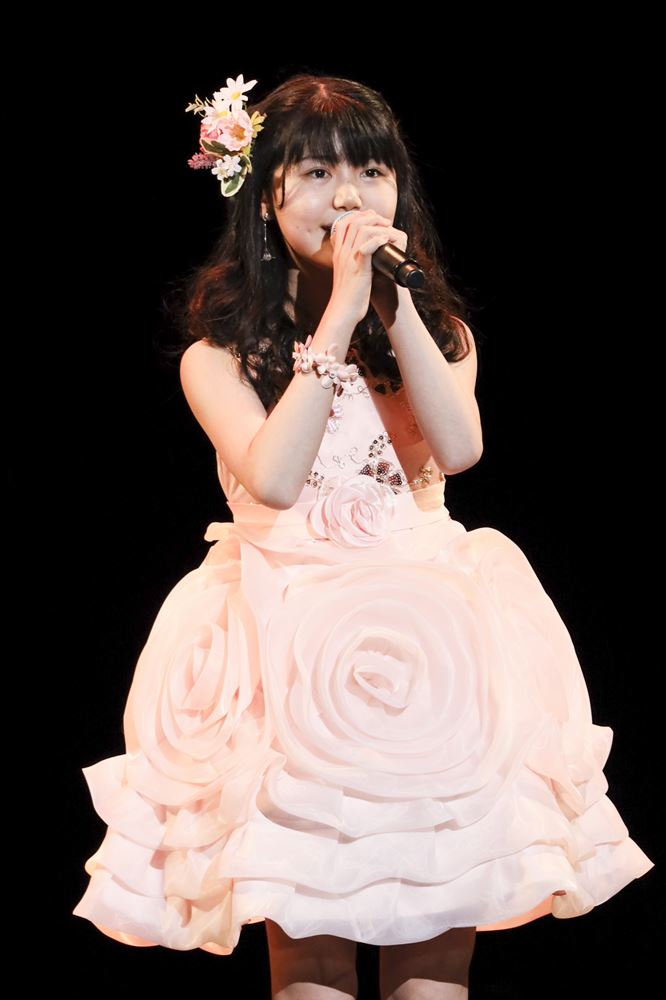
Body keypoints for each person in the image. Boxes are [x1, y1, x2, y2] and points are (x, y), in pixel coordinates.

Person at [72, 72, 654, 1000]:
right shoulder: (219, 358)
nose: (348, 198)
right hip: (289, 655)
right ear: (266, 201)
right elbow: (274, 478)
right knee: (309, 961)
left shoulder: (440, 331)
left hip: (431, 661)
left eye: (371, 171)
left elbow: (460, 450)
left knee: (434, 960)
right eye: (316, 173)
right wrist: (339, 313)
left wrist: (392, 306)